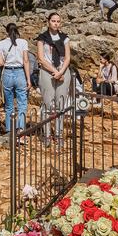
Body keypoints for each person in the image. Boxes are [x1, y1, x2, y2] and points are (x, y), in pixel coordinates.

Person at [36, 12, 73, 143]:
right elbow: (40, 58)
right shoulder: (42, 38)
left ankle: (59, 133)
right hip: (48, 71)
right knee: (47, 103)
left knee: (60, 104)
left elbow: (68, 57)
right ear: (48, 22)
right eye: (53, 21)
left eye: (58, 21)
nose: (56, 23)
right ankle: (46, 134)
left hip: (63, 70)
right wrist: (54, 72)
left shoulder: (65, 38)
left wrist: (61, 71)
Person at [0, 23, 31, 133]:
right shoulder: (23, 42)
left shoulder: (1, 43)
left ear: (6, 31)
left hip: (8, 72)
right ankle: (21, 129)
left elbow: (0, 63)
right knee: (22, 103)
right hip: (20, 72)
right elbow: (26, 61)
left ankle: (9, 129)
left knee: (9, 104)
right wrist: (28, 79)